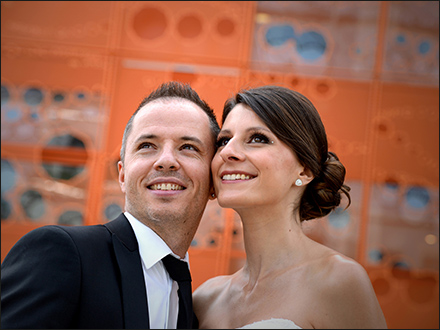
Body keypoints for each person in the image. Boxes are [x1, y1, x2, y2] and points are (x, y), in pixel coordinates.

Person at [1, 81, 220, 329]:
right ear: (123, 175)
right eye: (147, 146)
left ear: (213, 182)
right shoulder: (60, 252)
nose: (166, 161)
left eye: (188, 147)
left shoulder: (192, 307)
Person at [193, 85, 387, 329]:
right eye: (224, 140)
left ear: (304, 170)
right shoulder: (205, 300)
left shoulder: (339, 281)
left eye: (257, 139)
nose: (228, 152)